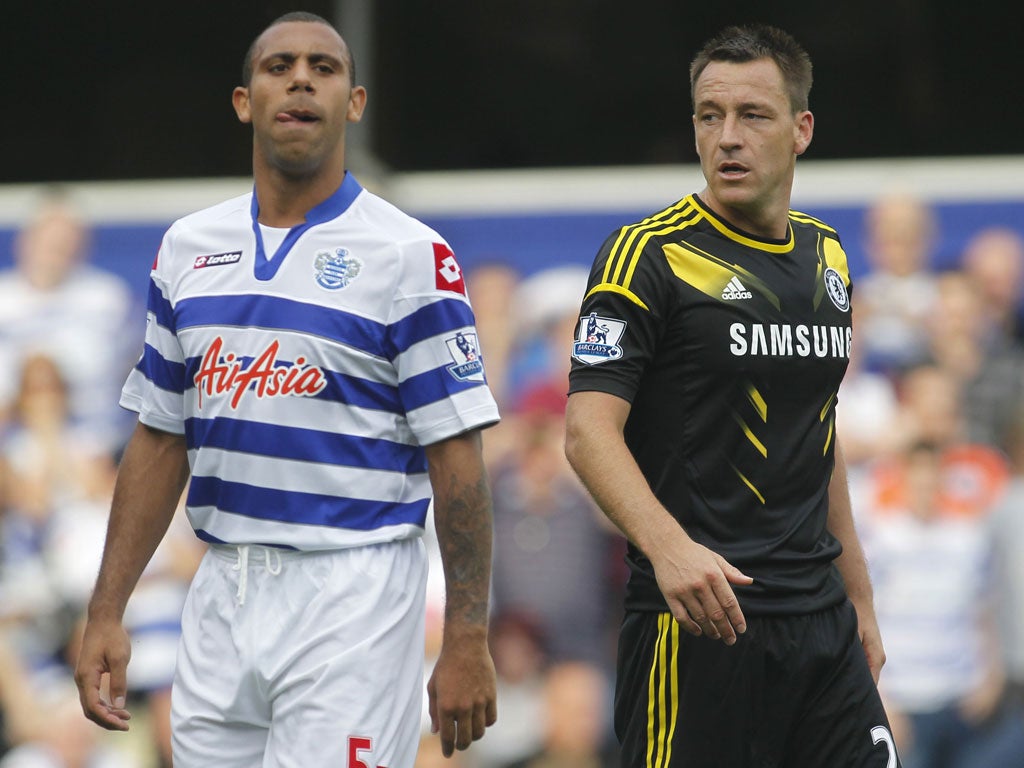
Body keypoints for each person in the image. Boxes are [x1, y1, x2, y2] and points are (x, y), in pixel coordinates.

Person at [73, 12, 499, 767]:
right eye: (279, 66)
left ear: (355, 102)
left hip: (354, 593)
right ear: (245, 100)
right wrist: (106, 608)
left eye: (323, 67)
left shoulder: (410, 255)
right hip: (223, 587)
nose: (300, 79)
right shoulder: (186, 249)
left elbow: (457, 453)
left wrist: (467, 635)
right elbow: (162, 434)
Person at [564, 24, 901, 767]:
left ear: (801, 129)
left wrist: (862, 602)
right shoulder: (645, 256)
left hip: (821, 628)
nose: (728, 137)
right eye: (710, 116)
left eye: (753, 115)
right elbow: (587, 433)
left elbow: (818, 431)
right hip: (697, 627)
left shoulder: (828, 257)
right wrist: (671, 549)